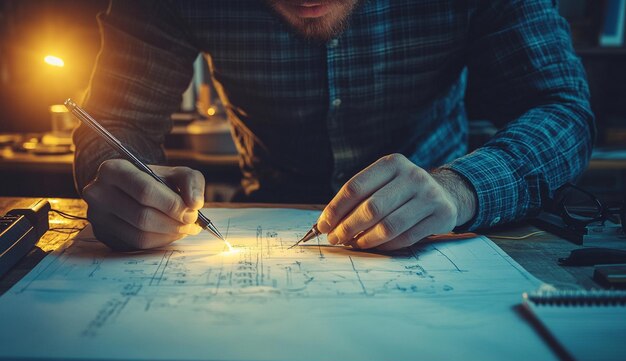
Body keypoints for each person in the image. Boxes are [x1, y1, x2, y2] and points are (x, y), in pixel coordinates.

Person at [73, 0, 594, 251]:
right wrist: (123, 176)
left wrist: (459, 189)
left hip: (442, 232)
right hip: (267, 212)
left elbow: (562, 107)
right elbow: (115, 122)